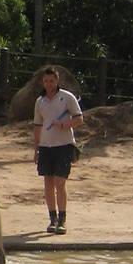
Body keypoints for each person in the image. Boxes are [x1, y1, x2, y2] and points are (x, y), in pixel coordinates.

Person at [33, 65, 82, 234]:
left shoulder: (67, 97)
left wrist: (64, 125)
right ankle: (52, 218)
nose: (48, 84)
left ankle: (62, 219)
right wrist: (36, 149)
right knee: (48, 182)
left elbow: (79, 118)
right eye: (46, 81)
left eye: (51, 81)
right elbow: (37, 126)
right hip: (46, 146)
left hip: (64, 145)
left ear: (57, 80)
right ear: (43, 82)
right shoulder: (39, 102)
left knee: (60, 183)